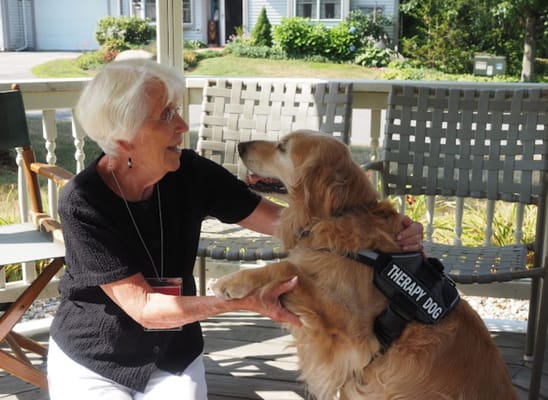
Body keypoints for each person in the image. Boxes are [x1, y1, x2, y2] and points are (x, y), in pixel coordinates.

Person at [47, 59, 424, 399]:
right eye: (165, 116)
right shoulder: (84, 201)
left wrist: (382, 232)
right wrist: (242, 301)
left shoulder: (189, 173)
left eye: (176, 110)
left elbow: (291, 225)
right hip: (96, 354)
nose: (182, 126)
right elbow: (145, 307)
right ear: (124, 138)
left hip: (173, 355)